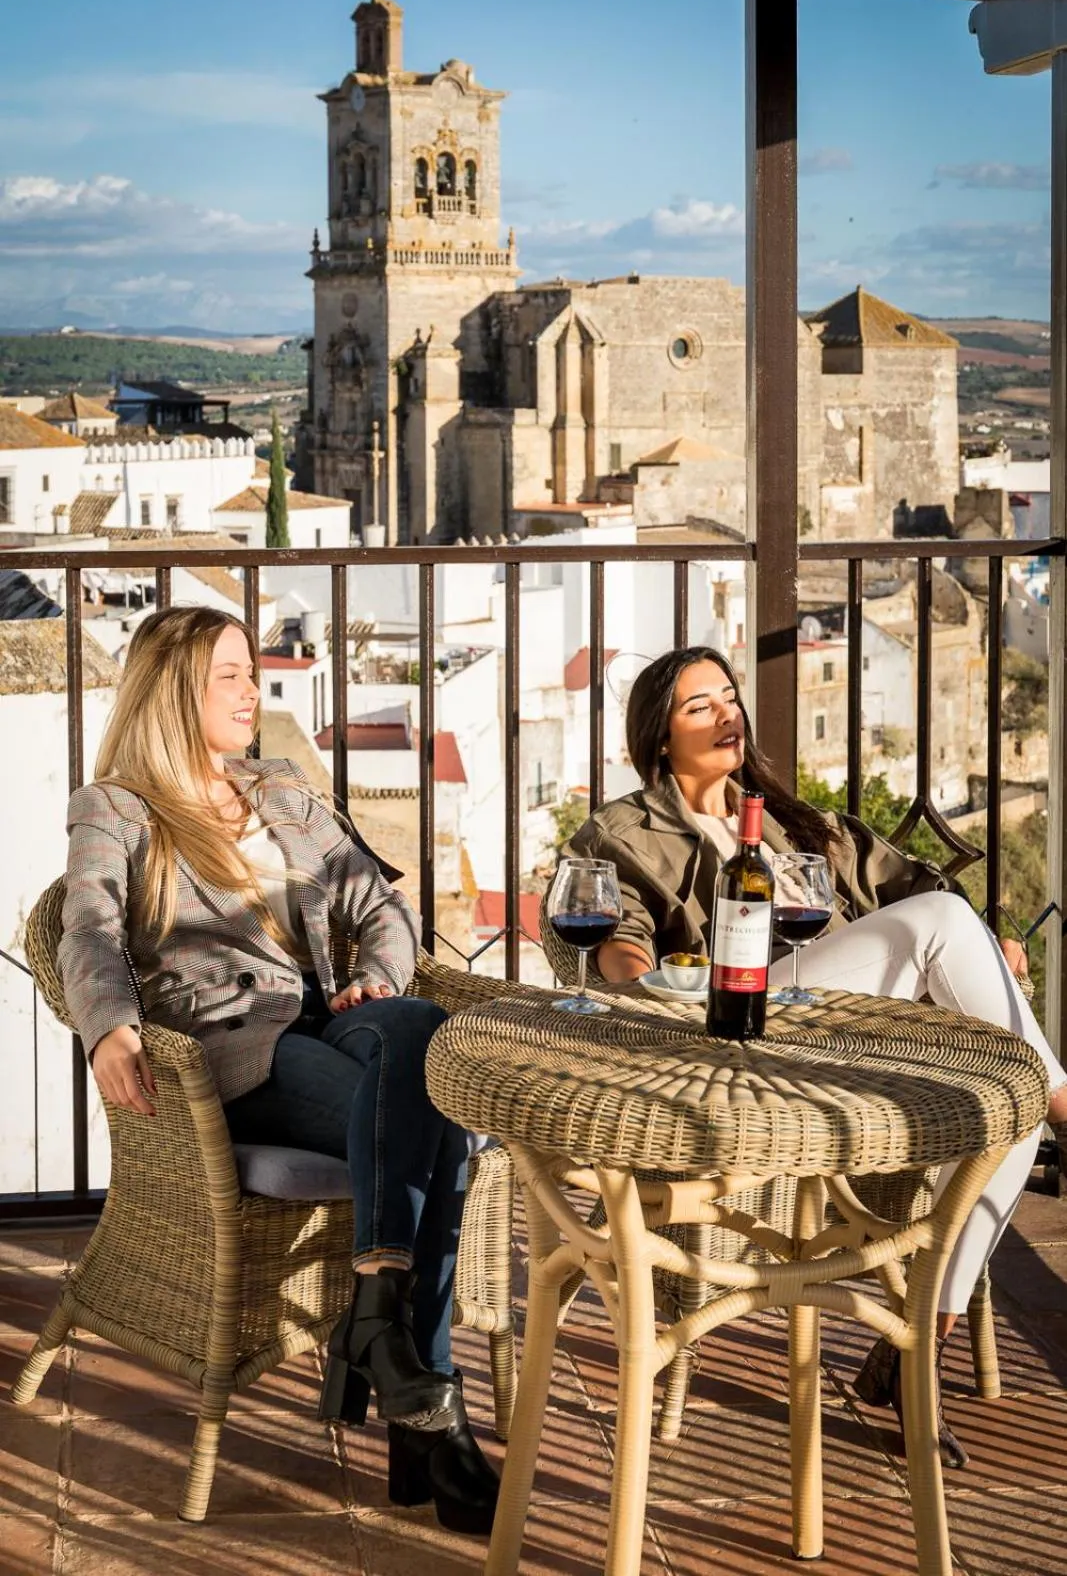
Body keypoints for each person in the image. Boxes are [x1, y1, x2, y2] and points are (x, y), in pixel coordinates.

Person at [564, 645, 1067, 1469]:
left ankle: (911, 1357)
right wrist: (634, 977)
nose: (727, 713)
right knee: (939, 925)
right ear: (659, 736)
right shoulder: (624, 831)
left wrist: (990, 937)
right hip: (736, 1026)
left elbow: (914, 882)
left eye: (729, 697)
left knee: (1002, 1114)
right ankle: (1061, 1103)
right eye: (700, 707)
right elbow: (615, 935)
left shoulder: (789, 818)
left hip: (847, 1031)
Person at [57, 605, 498, 1535]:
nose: (252, 691)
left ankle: (380, 1319)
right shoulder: (117, 809)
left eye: (251, 672)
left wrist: (377, 975)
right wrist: (106, 1028)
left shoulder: (282, 789)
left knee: (415, 1020)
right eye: (229, 674)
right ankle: (430, 1413)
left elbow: (378, 907)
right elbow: (88, 927)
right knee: (439, 1130)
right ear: (175, 688)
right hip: (234, 1049)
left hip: (332, 1015)